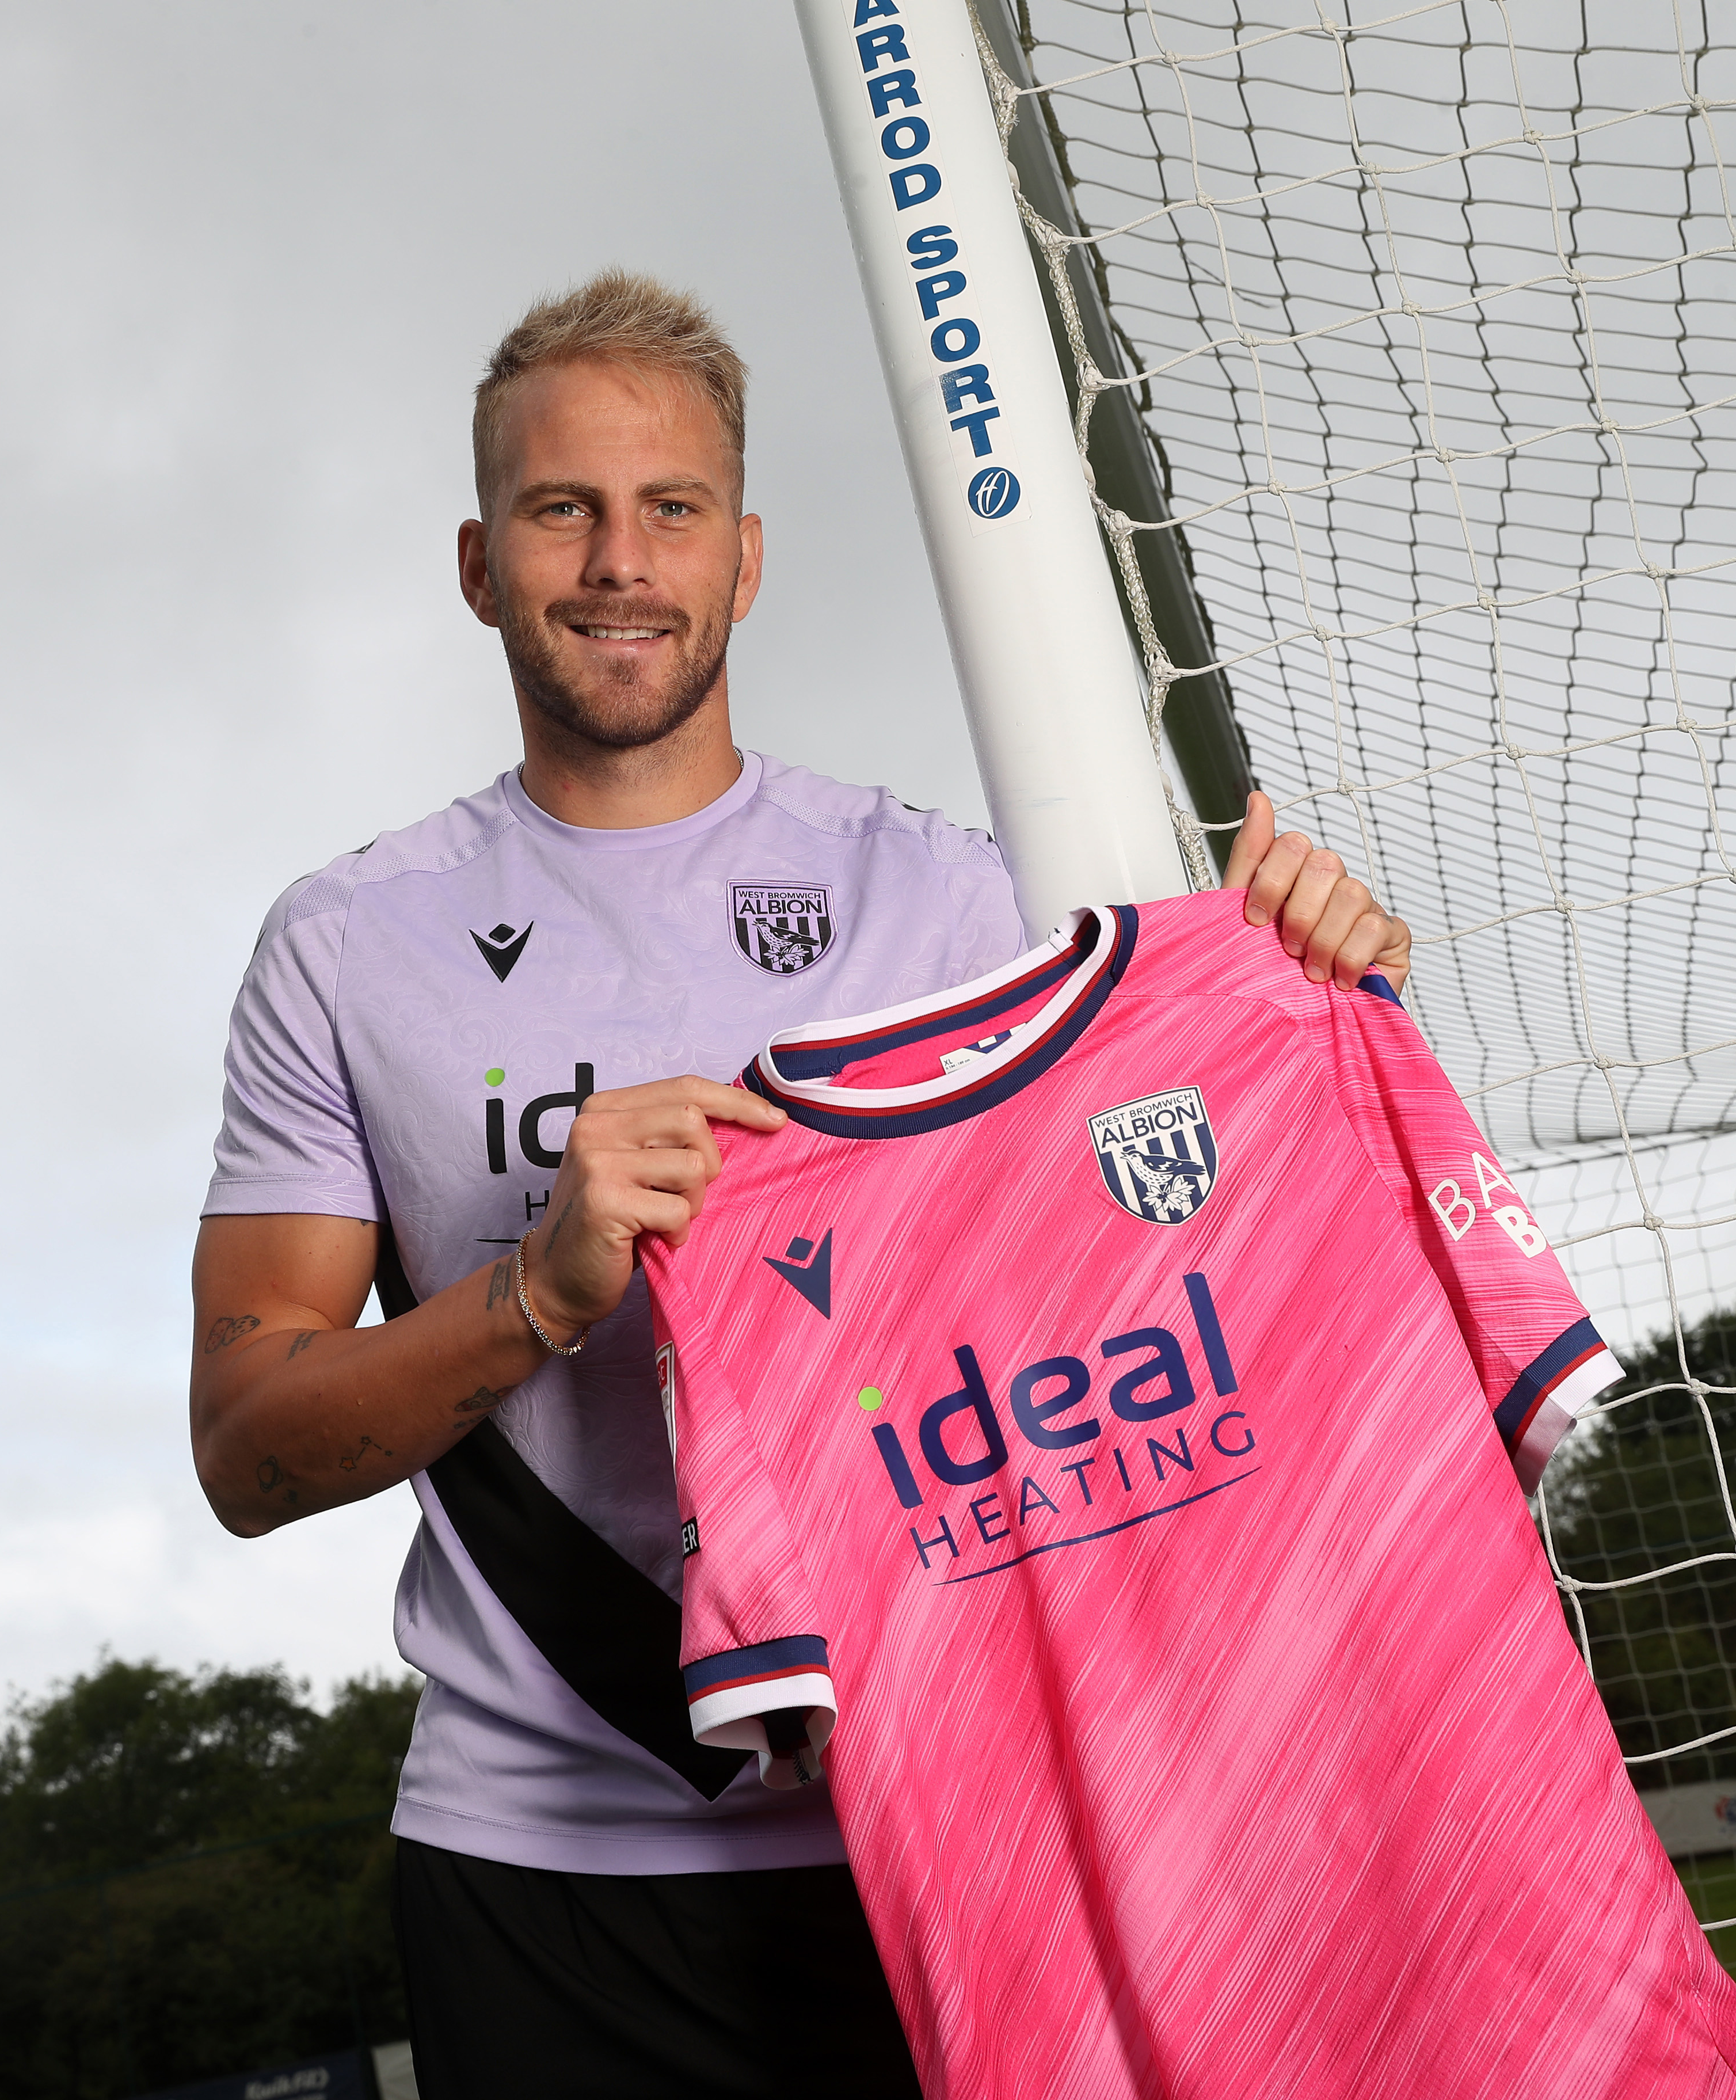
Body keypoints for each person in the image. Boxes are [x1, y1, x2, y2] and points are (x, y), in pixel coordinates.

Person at [189, 272, 1409, 2098]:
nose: (620, 561)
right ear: (477, 560)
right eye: (562, 509)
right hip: (552, 1874)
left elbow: (1193, 1238)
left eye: (670, 508)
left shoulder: (953, 897)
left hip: (963, 1812)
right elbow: (246, 1452)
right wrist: (538, 1292)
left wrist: (1311, 985)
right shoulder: (347, 949)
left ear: (745, 560)